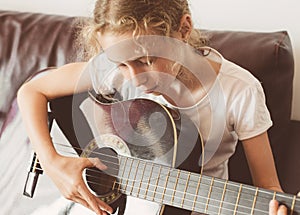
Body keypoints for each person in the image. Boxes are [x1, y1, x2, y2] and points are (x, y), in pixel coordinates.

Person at [17, 0, 288, 215]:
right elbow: (31, 90)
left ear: (183, 29)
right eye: (121, 63)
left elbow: (268, 189)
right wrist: (53, 163)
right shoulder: (113, 72)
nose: (134, 78)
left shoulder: (239, 91)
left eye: (146, 60)